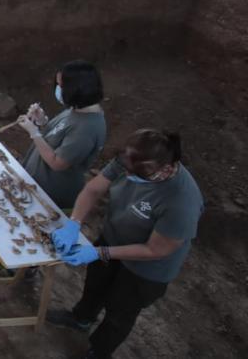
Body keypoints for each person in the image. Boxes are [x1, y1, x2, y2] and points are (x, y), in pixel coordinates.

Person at [46, 129, 203, 359]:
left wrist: (100, 252)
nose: (127, 176)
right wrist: (74, 223)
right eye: (125, 169)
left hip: (147, 268)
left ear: (165, 169)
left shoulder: (181, 202)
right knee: (96, 283)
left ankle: (99, 351)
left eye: (135, 174)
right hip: (115, 236)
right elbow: (93, 189)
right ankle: (81, 318)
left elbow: (155, 250)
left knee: (120, 311)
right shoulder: (132, 160)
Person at [15, 60, 107, 209]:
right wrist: (42, 121)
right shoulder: (77, 109)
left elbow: (58, 163)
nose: (57, 89)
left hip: (50, 195)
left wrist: (34, 133)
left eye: (61, 86)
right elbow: (59, 136)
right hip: (36, 182)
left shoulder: (87, 128)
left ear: (76, 89)